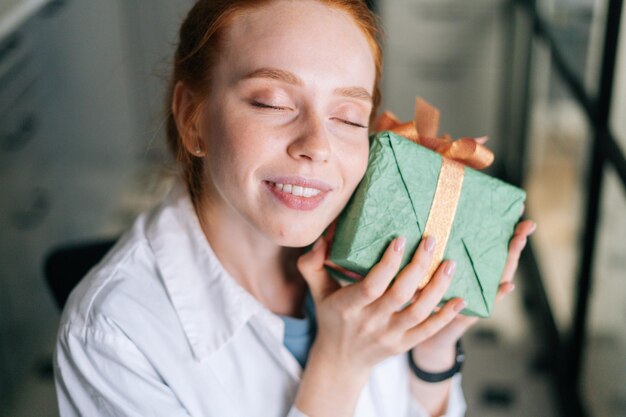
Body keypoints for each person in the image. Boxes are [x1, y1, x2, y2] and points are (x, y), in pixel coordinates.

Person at [53, 0, 536, 416]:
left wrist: (432, 350)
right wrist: (338, 365)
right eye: (271, 103)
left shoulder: (380, 242)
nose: (317, 146)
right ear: (192, 118)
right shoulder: (111, 339)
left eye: (348, 116)